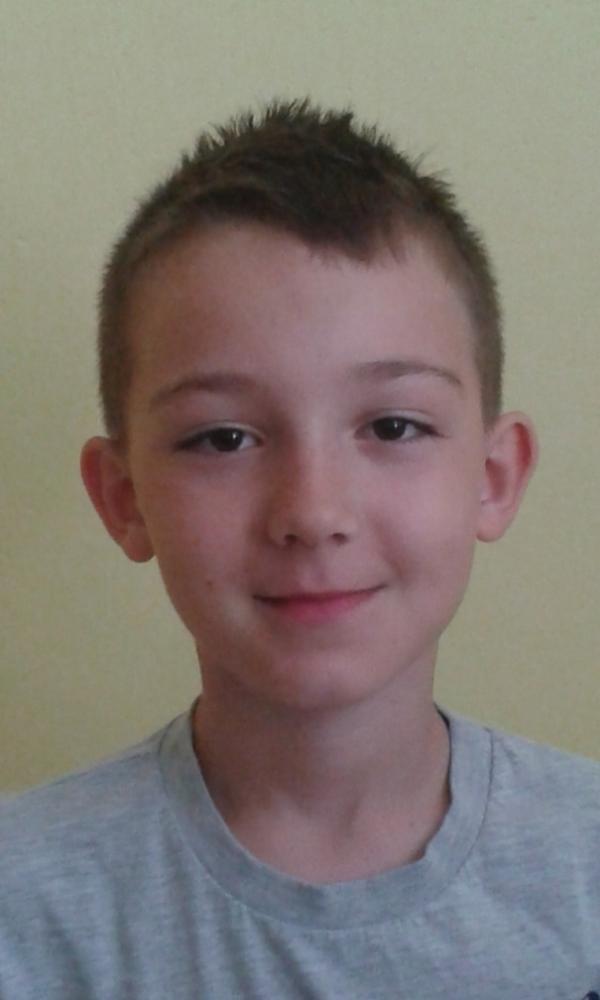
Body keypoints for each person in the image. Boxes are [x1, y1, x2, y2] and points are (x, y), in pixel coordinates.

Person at [1, 99, 599, 1000]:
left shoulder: (584, 871)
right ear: (123, 499)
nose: (313, 513)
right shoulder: (24, 910)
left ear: (493, 475)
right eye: (223, 438)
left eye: (392, 426)